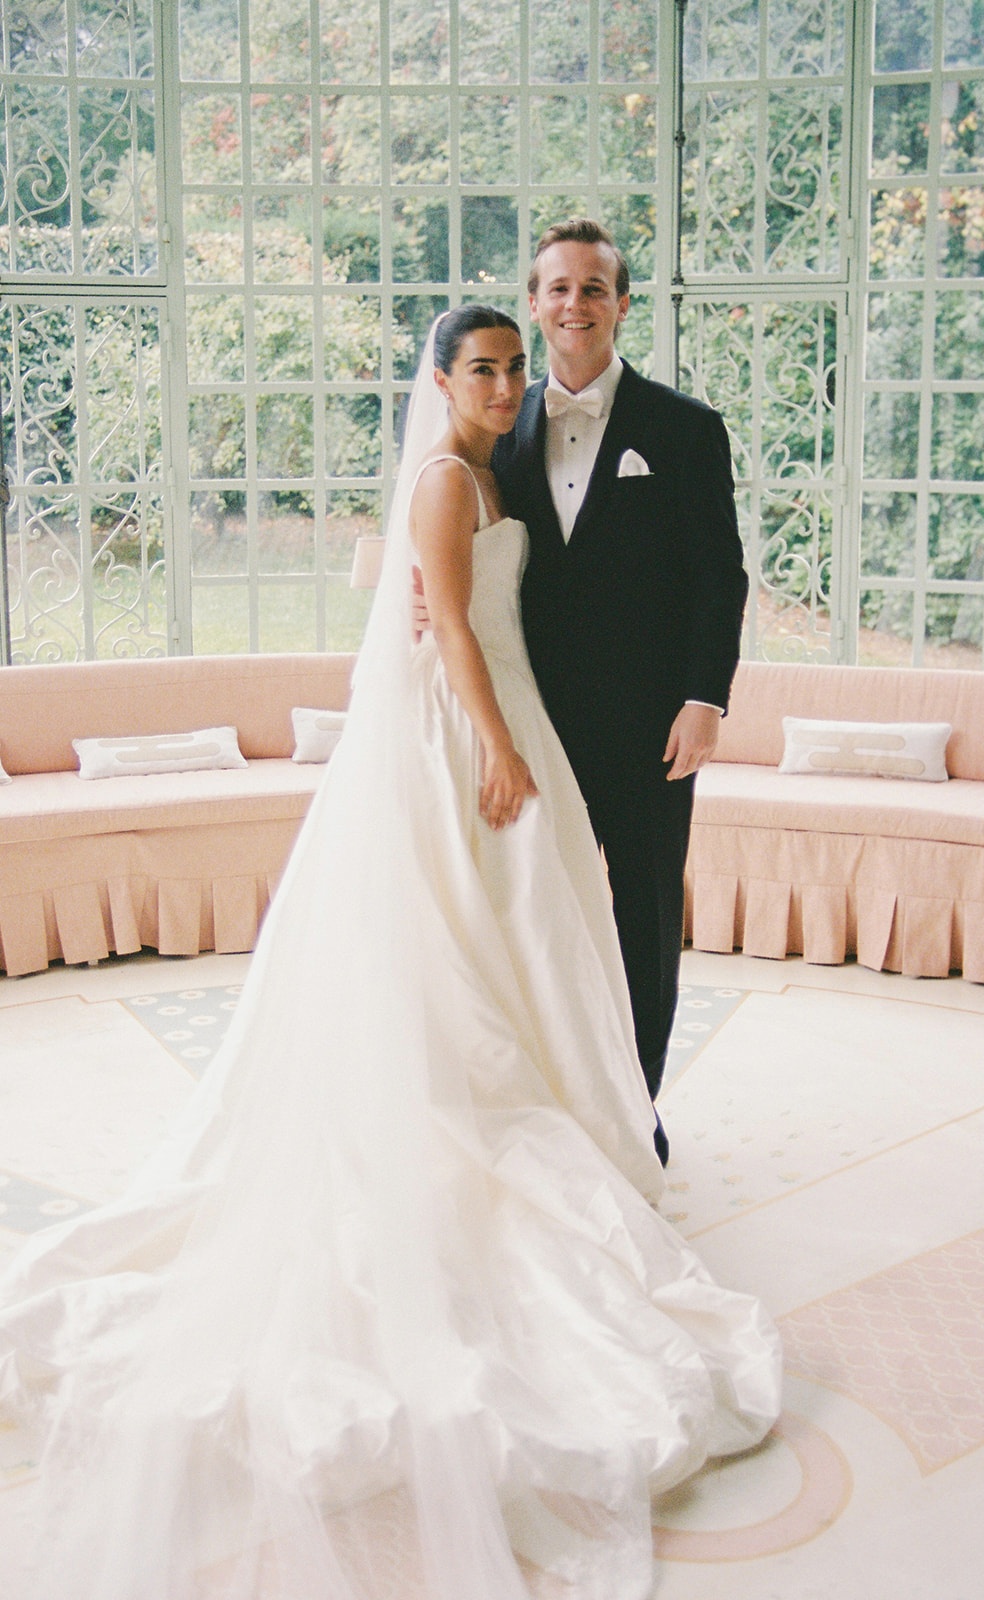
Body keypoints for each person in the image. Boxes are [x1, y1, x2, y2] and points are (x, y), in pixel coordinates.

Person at [0, 305, 779, 1600]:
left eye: (512, 365)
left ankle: (560, 1099)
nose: (502, 381)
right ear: (438, 378)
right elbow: (455, 633)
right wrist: (497, 747)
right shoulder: (441, 478)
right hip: (462, 733)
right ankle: (471, 1109)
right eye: (480, 366)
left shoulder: (490, 470)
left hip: (500, 711)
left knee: (534, 936)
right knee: (475, 937)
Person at [494, 219, 749, 1162]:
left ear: (622, 303)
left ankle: (634, 1107)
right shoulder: (496, 430)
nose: (574, 306)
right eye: (556, 288)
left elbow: (717, 575)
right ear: (533, 302)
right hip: (534, 727)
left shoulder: (683, 429)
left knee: (641, 913)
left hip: (652, 728)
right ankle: (549, 1094)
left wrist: (703, 698)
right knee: (535, 910)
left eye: (593, 288)